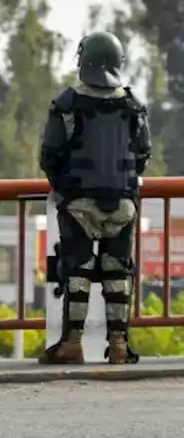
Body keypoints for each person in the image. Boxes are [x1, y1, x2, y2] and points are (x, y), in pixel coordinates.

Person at [38, 30, 151, 365]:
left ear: (83, 59)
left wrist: (63, 189)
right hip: (123, 203)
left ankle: (72, 344)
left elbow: (50, 155)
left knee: (78, 270)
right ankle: (118, 345)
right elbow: (143, 154)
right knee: (118, 271)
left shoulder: (66, 104)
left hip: (77, 203)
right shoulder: (133, 104)